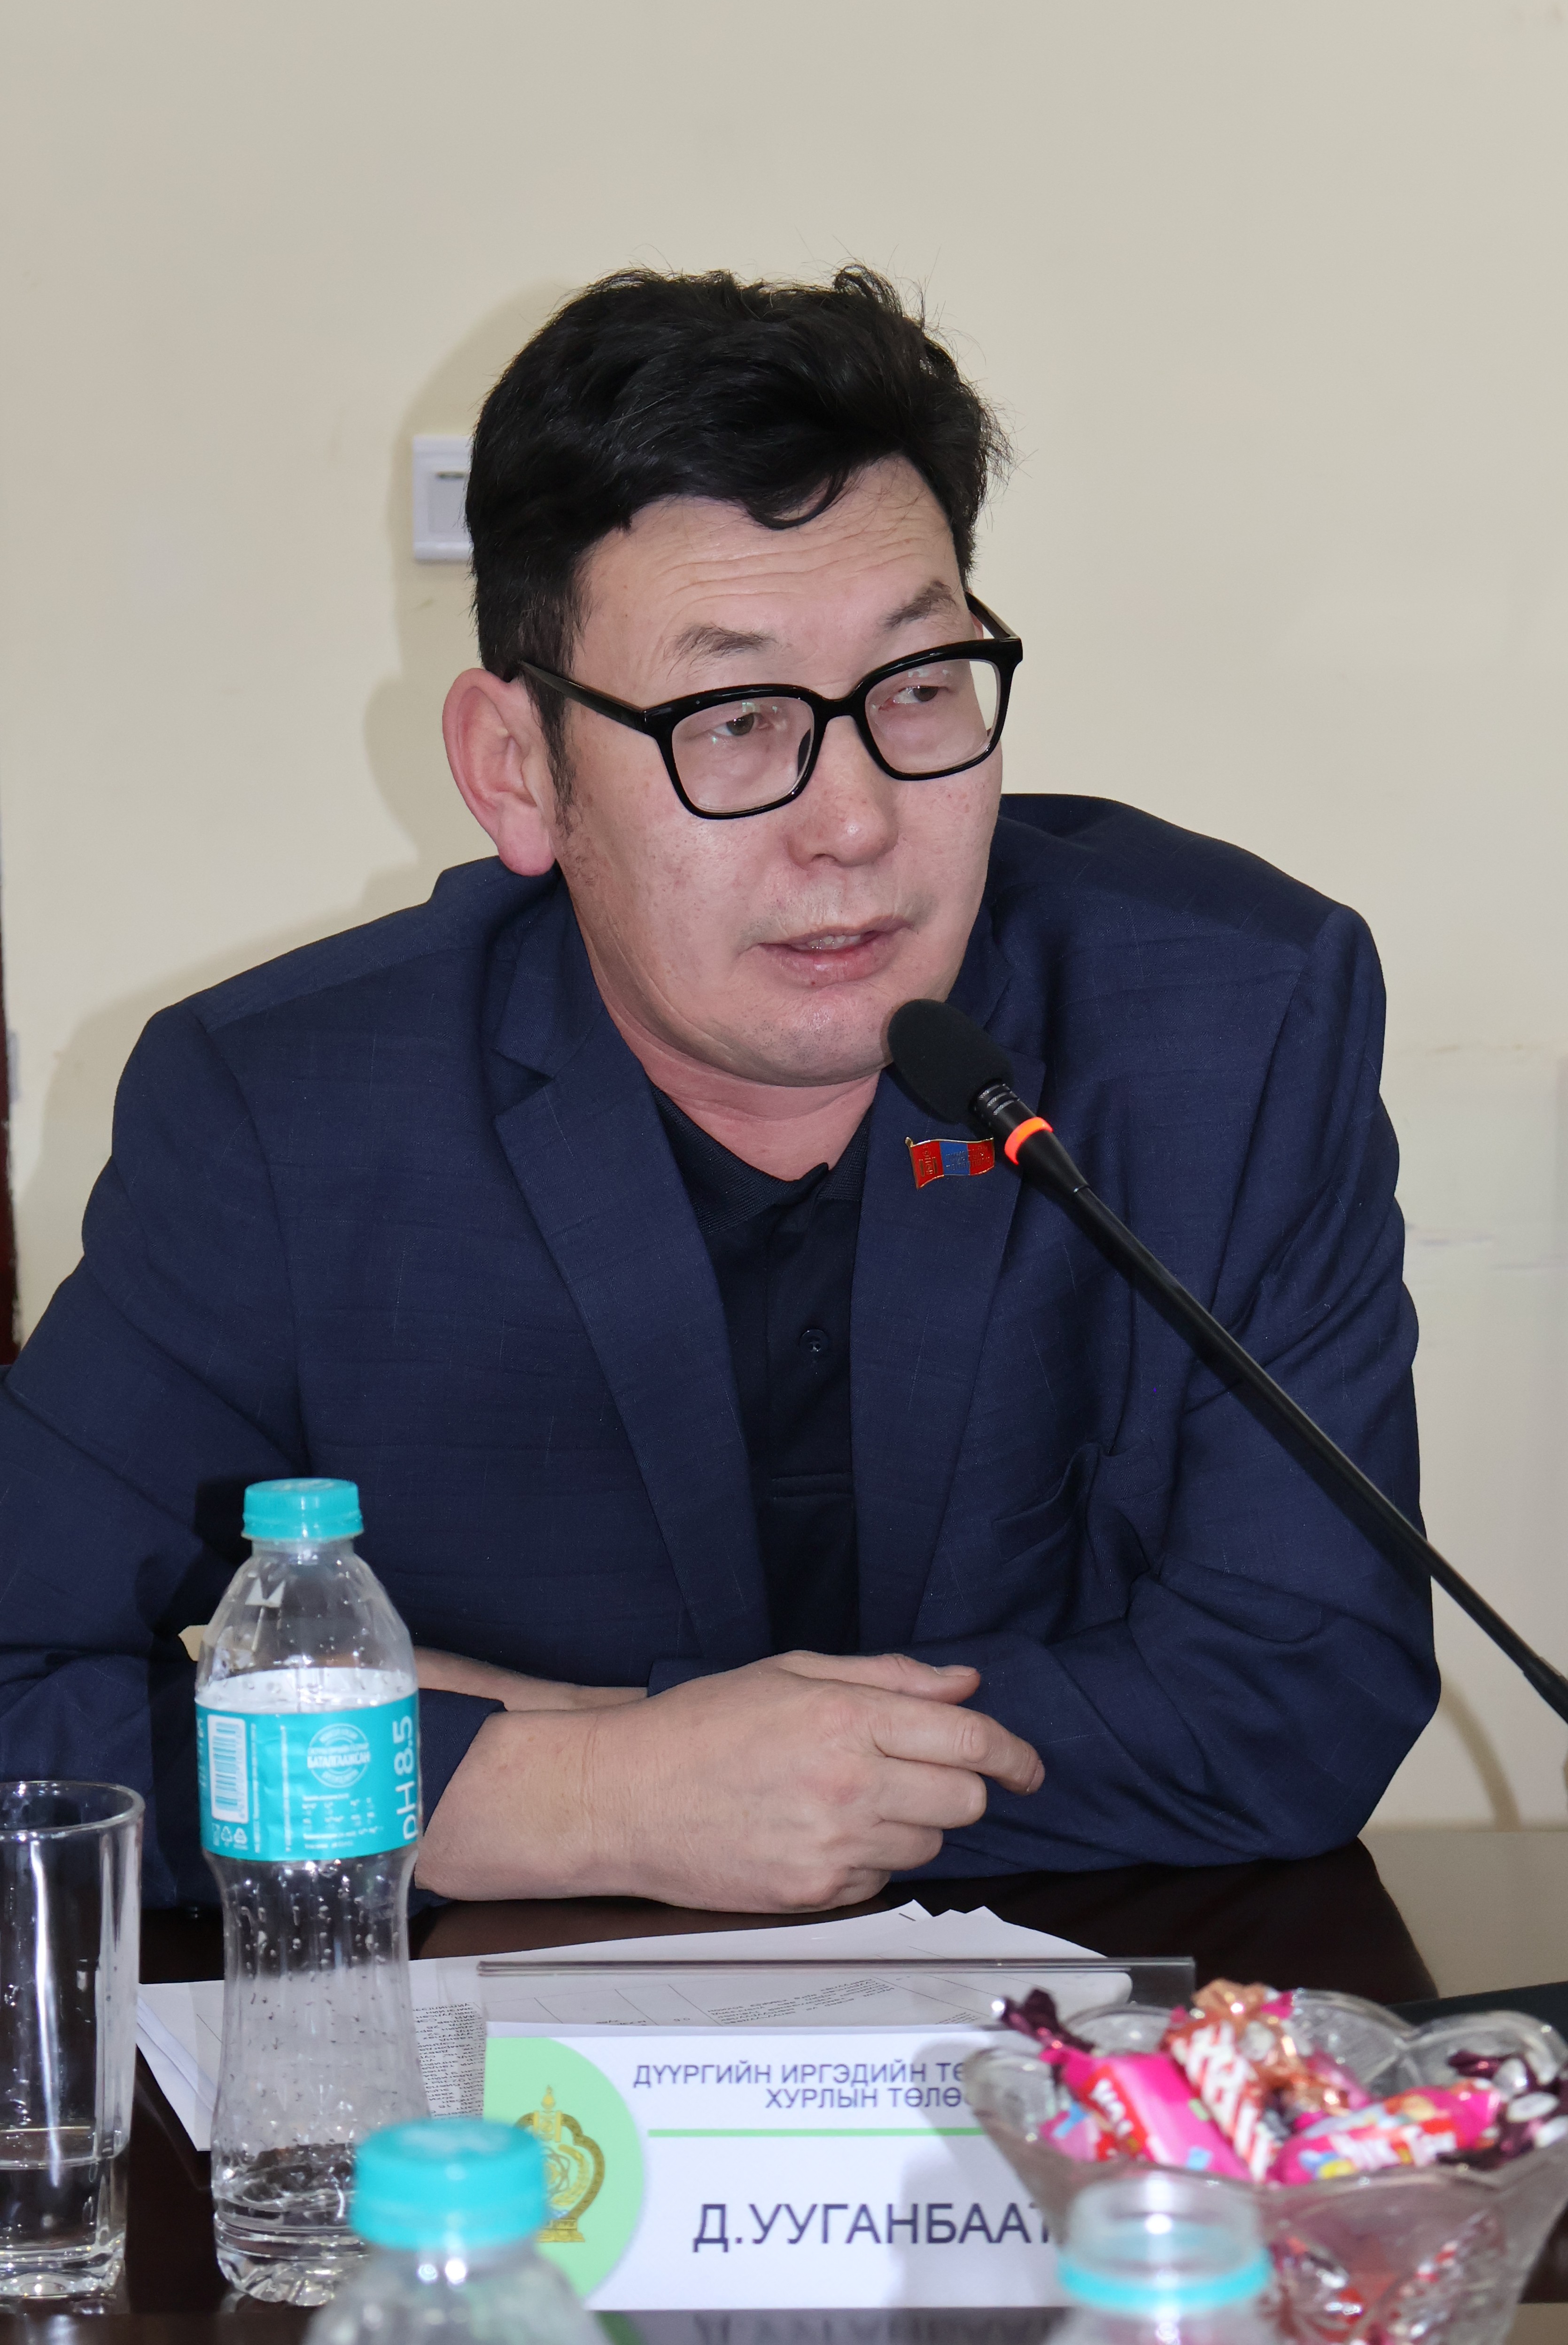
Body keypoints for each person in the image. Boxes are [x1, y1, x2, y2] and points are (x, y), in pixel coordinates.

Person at [0, 268, 1436, 1910]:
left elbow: (1305, 1690)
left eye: (918, 688)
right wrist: (583, 1794)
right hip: (504, 2056)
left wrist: (643, 1750)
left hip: (1080, 2034)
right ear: (516, 771)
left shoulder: (1228, 1025)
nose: (854, 821)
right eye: (735, 719)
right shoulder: (289, 1113)